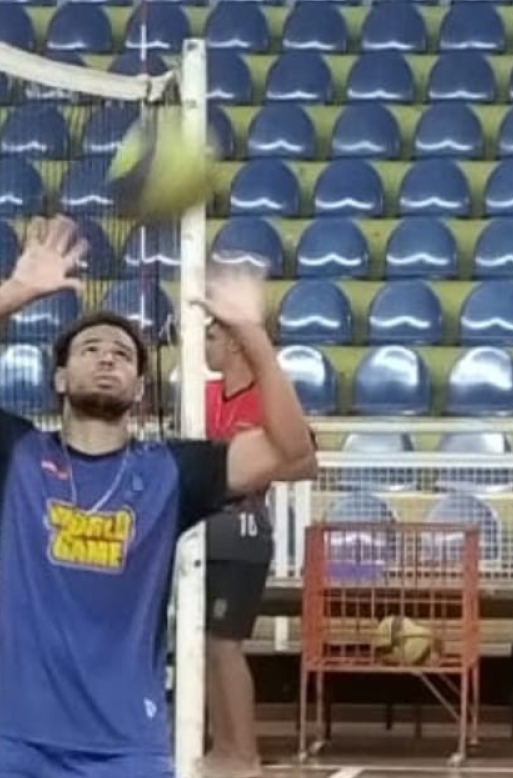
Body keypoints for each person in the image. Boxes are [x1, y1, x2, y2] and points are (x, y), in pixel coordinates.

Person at [0, 215, 317, 778]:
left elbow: (293, 451)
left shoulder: (172, 471)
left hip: (127, 746)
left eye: (122, 354)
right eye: (89, 349)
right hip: (15, 739)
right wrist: (12, 294)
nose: (107, 357)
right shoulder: (12, 454)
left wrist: (252, 335)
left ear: (140, 388)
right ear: (60, 378)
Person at [199, 317, 317, 778]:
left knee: (226, 644)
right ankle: (221, 747)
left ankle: (244, 753)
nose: (205, 345)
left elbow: (305, 462)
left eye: (212, 337)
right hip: (201, 533)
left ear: (234, 342)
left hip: (243, 533)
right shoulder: (201, 396)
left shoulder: (268, 399)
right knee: (207, 645)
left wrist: (241, 475)